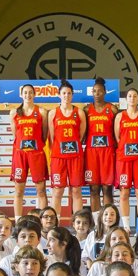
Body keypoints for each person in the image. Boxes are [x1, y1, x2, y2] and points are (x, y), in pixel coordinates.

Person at [48, 79, 86, 215]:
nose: (66, 96)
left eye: (69, 93)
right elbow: (52, 137)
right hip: (58, 157)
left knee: (76, 190)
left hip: (75, 157)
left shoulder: (79, 113)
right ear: (59, 95)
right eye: (64, 93)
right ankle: (54, 222)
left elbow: (81, 135)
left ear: (72, 95)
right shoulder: (53, 113)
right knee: (58, 190)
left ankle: (78, 222)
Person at [9, 85, 48, 219]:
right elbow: (16, 135)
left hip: (36, 154)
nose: (28, 95)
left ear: (34, 94)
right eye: (25, 92)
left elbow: (44, 134)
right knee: (19, 191)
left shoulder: (42, 111)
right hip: (20, 154)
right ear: (21, 94)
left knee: (41, 190)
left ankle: (44, 221)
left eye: (30, 92)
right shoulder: (14, 112)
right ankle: (19, 220)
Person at [115, 88, 138, 229]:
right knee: (124, 192)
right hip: (124, 159)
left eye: (135, 96)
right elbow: (118, 138)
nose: (132, 98)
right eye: (129, 96)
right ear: (126, 99)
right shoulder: (120, 116)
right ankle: (126, 226)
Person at [84, 77, 118, 213]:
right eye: (94, 91)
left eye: (99, 91)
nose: (97, 94)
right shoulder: (87, 110)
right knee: (94, 188)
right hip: (92, 152)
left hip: (108, 152)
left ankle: (108, 220)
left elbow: (117, 131)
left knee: (107, 188)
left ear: (104, 92)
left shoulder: (112, 109)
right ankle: (95, 219)